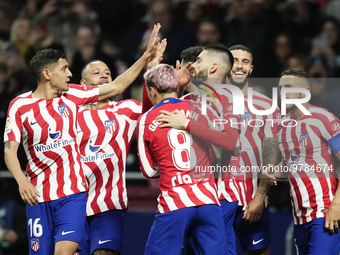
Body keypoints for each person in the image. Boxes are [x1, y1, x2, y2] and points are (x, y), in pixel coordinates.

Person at [3, 24, 161, 255]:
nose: (69, 73)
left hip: (75, 196)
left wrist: (146, 57)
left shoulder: (75, 96)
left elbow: (120, 87)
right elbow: (9, 150)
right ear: (47, 74)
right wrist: (21, 181)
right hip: (38, 195)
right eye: (64, 69)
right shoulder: (19, 105)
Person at [137, 63, 238, 255]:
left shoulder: (146, 119)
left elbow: (148, 171)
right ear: (176, 87)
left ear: (152, 91)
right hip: (208, 199)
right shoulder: (201, 109)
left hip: (175, 201)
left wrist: (167, 165)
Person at [272, 69, 340, 254]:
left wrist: (336, 205)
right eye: (280, 88)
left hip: (325, 210)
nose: (282, 93)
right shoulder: (281, 125)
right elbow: (292, 163)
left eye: (288, 87)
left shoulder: (324, 118)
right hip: (299, 217)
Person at [226, 44, 280, 255]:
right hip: (216, 199)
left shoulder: (267, 106)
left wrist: (260, 197)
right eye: (234, 61)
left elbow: (272, 156)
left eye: (245, 62)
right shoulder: (209, 102)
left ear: (251, 68)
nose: (239, 66)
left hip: (252, 198)